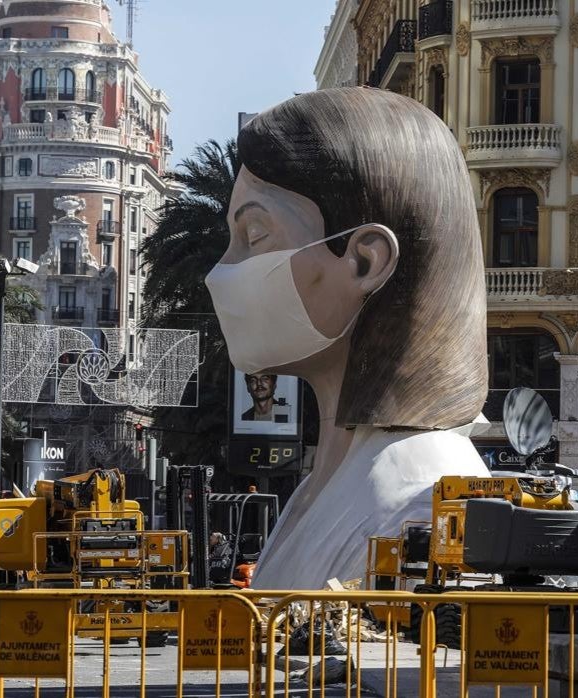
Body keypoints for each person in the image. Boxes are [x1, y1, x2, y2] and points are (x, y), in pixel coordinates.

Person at [206, 88, 490, 588]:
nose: (219, 273)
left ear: (365, 261)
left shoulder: (416, 506)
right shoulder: (329, 481)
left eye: (254, 237)